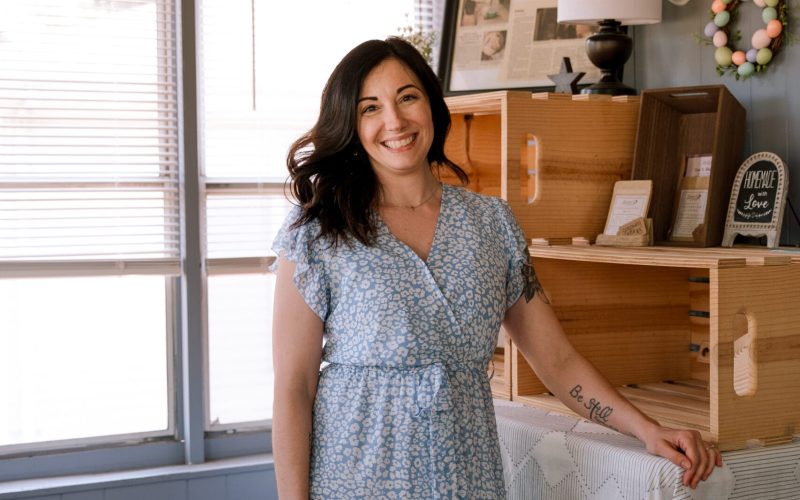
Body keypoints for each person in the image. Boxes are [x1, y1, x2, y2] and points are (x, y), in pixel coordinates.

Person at [271, 37, 722, 499]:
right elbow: (294, 387)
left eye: (407, 97)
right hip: (353, 480)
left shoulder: (491, 224)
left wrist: (647, 429)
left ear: (432, 105)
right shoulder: (318, 232)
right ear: (351, 123)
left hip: (467, 481)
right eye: (370, 107)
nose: (395, 120)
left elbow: (557, 361)